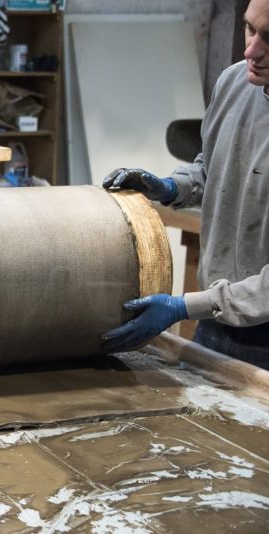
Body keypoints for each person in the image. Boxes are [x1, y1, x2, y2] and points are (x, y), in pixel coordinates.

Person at [100, 0, 269, 369]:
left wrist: (182, 306)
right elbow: (210, 168)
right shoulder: (234, 82)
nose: (251, 50)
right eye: (249, 29)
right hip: (214, 321)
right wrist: (169, 187)